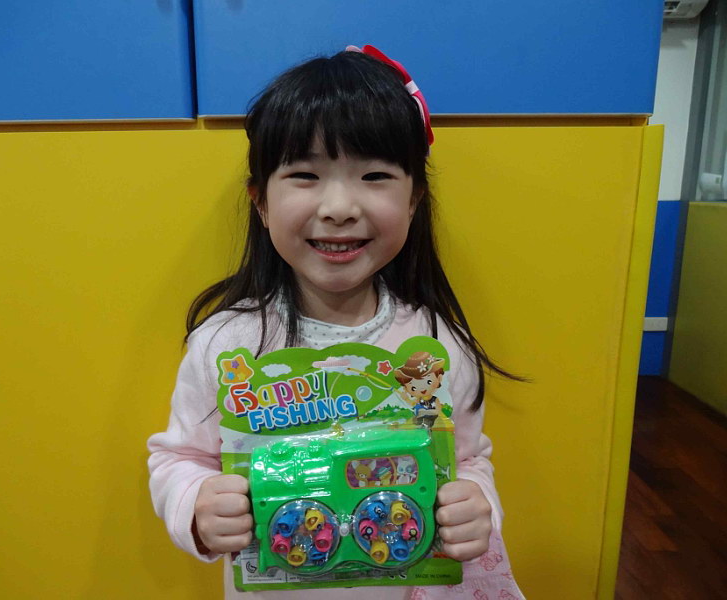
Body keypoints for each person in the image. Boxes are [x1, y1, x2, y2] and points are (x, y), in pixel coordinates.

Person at [148, 45, 525, 600]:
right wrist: (197, 504)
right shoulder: (227, 344)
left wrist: (476, 505)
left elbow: (466, 459)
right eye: (305, 174)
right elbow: (179, 458)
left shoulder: (436, 345)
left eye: (374, 175)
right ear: (260, 202)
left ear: (414, 199)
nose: (340, 207)